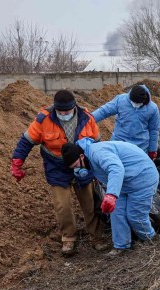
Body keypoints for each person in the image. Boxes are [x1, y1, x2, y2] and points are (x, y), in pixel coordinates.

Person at [11, 90, 107, 257]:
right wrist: (17, 162)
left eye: (67, 112)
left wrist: (99, 168)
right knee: (62, 205)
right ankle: (68, 238)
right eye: (60, 112)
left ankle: (97, 238)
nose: (63, 114)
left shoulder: (86, 118)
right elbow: (26, 141)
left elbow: (98, 144)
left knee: (89, 202)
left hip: (82, 164)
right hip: (57, 166)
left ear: (74, 107)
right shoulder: (43, 119)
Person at [61, 139, 159, 253]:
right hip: (125, 182)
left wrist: (111, 195)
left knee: (135, 216)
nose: (77, 170)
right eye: (73, 168)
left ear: (82, 156)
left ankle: (151, 241)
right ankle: (121, 246)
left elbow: (116, 169)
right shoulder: (89, 160)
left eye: (76, 165)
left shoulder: (97, 152)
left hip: (142, 178)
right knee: (116, 213)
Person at [91, 84, 160, 158]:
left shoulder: (152, 108)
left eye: (138, 103)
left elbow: (154, 130)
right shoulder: (121, 100)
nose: (135, 105)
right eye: (133, 102)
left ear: (144, 100)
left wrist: (152, 150)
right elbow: (104, 111)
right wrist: (88, 119)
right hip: (118, 143)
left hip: (140, 147)